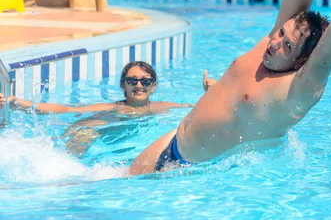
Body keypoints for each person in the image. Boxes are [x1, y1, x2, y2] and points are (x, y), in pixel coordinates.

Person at [128, 0, 331, 175]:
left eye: (288, 46)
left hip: (193, 172)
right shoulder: (269, 43)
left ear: (302, 61)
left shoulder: (296, 89)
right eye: (282, 33)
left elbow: (326, 57)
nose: (275, 43)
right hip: (173, 139)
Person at [0, 61, 193, 155]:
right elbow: (67, 110)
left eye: (145, 81)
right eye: (132, 80)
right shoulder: (115, 108)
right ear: (123, 86)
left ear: (154, 86)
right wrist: (19, 104)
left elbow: (194, 108)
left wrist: (210, 91)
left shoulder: (162, 107)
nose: (139, 85)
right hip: (85, 133)